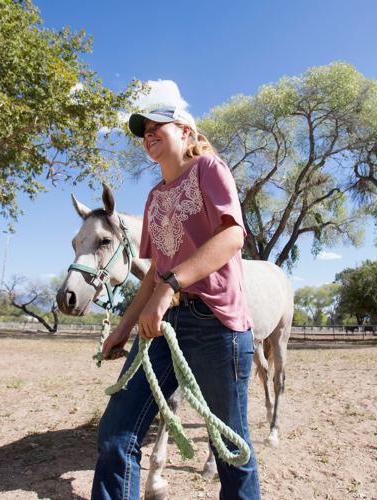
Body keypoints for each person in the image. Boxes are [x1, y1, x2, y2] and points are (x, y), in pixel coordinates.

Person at [91, 105, 261, 500]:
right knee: (117, 433)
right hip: (160, 328)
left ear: (185, 130)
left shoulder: (209, 169)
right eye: (143, 132)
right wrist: (121, 329)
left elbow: (232, 237)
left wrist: (169, 288)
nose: (148, 135)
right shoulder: (155, 196)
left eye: (156, 128)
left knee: (229, 447)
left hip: (215, 324)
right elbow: (154, 272)